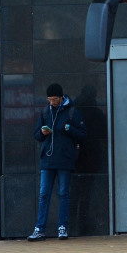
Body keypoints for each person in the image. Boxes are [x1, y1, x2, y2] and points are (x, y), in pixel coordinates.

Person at [28, 83, 86, 241]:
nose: (52, 102)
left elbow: (83, 134)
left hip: (65, 159)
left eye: (54, 99)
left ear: (61, 97)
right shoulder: (46, 111)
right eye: (50, 100)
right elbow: (37, 135)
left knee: (63, 193)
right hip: (47, 159)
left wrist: (68, 128)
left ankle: (62, 227)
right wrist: (42, 132)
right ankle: (39, 228)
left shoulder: (72, 112)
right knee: (43, 194)